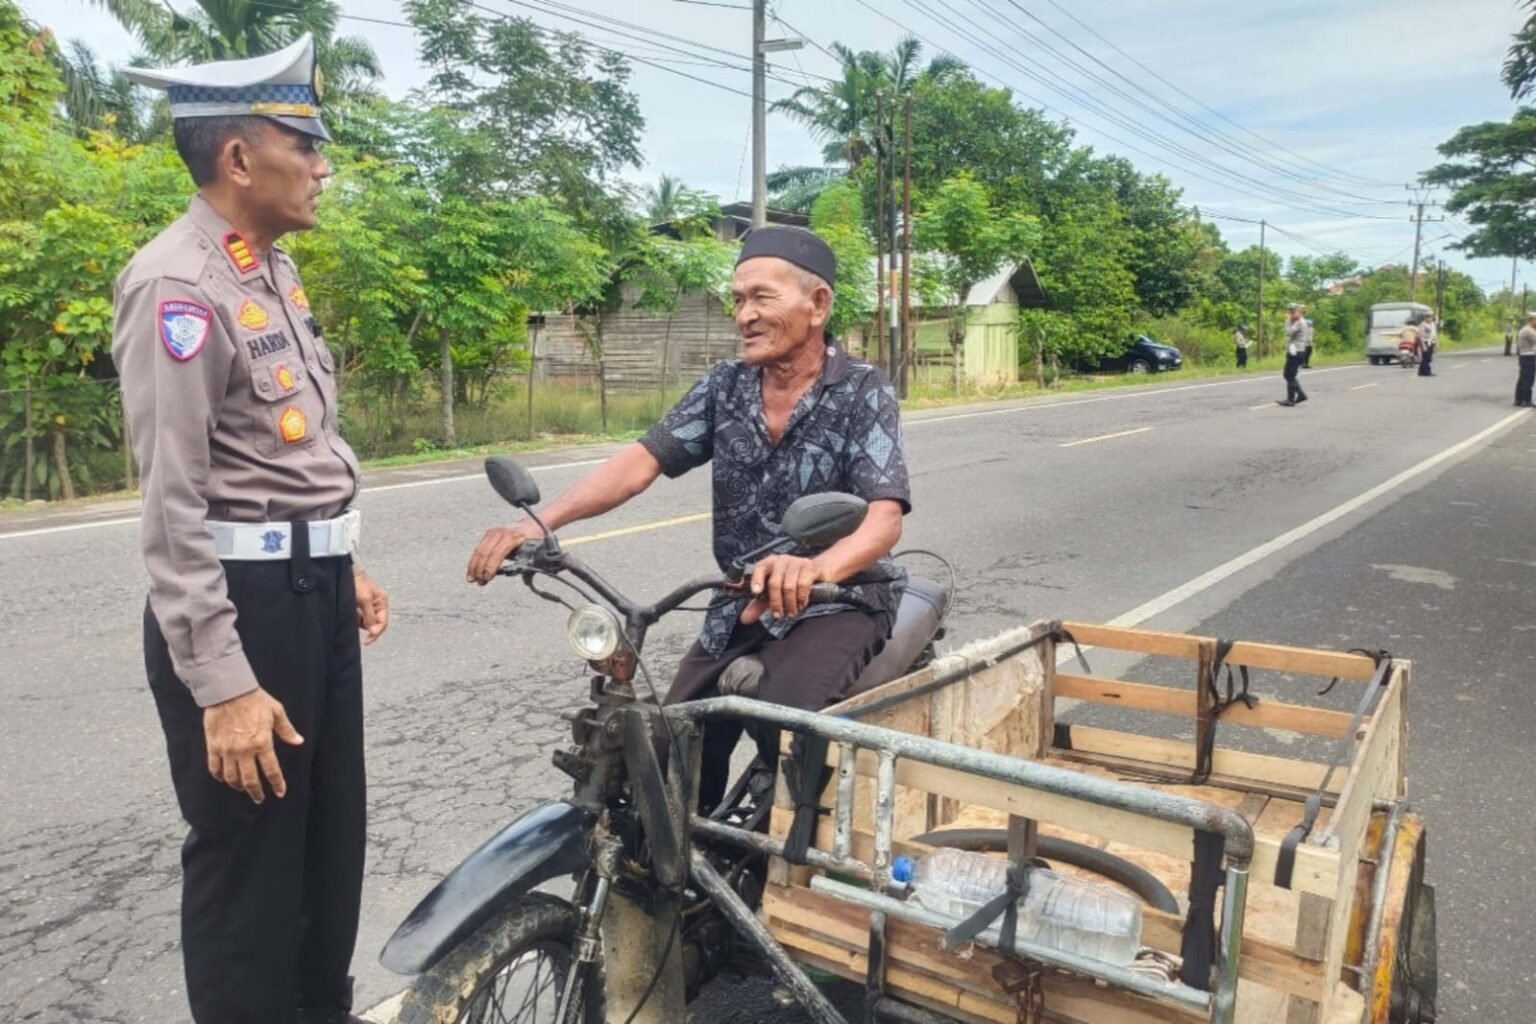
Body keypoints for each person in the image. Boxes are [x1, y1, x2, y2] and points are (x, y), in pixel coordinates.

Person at [111, 35, 389, 1024]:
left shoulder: (265, 268)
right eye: (304, 144)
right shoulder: (176, 285)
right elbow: (174, 503)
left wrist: (340, 553)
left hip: (311, 598)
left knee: (327, 855)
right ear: (239, 159)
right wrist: (223, 685)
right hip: (244, 618)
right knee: (251, 876)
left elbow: (287, 452)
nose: (322, 166)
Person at [467, 227, 911, 811]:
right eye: (738, 300)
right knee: (671, 742)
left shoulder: (862, 390)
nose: (744, 316)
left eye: (762, 297)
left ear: (818, 304)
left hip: (836, 601)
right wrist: (539, 525)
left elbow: (883, 518)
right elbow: (639, 463)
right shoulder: (724, 387)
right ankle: (690, 868)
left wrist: (816, 569)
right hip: (738, 601)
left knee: (789, 728)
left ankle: (784, 858)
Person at [1277, 303, 1309, 407]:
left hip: (1296, 352)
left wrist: (1287, 321)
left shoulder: (1299, 323)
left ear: (1299, 312)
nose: (1291, 314)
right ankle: (1300, 395)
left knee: (1289, 375)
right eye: (1290, 312)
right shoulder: (1299, 322)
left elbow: (1288, 332)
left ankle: (1292, 399)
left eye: (1293, 312)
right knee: (1290, 375)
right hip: (1298, 351)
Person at [1515, 310, 1536, 407]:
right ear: (1532, 320)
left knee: (1523, 378)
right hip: (1529, 356)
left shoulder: (1524, 329)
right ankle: (1526, 400)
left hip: (1523, 356)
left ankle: (1518, 399)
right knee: (1528, 379)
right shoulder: (1529, 331)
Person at [1418, 311, 1438, 377]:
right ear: (1425, 318)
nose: (1429, 318)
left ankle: (1422, 371)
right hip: (1425, 342)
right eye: (1427, 317)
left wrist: (1436, 344)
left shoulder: (1433, 324)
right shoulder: (1423, 325)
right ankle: (1426, 372)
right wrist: (1423, 345)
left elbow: (1434, 335)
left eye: (1430, 317)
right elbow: (1421, 336)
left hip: (1431, 342)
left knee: (1429, 358)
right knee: (1425, 358)